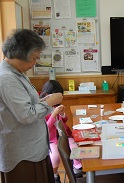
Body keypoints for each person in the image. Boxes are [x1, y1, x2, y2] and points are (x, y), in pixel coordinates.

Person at [0, 29, 63, 183]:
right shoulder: (7, 79)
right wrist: (50, 101)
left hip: (32, 150)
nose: (36, 62)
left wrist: (44, 101)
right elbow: (27, 115)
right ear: (21, 55)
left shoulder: (18, 73)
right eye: (34, 58)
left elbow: (29, 105)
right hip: (22, 155)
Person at [40, 80, 83, 183]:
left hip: (65, 136)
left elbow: (63, 121)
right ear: (47, 95)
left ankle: (77, 168)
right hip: (52, 139)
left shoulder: (55, 106)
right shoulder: (42, 109)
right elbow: (46, 127)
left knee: (75, 150)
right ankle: (55, 175)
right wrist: (54, 115)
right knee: (54, 158)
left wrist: (63, 114)